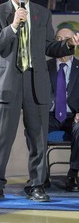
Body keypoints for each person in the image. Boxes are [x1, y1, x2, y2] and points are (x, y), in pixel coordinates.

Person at [0, 0, 79, 203]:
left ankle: (36, 185)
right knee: (1, 139)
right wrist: (14, 25)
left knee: (38, 139)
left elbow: (49, 47)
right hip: (8, 85)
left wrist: (68, 45)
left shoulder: (42, 13)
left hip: (37, 84)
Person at [47, 28, 79, 192]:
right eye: (58, 39)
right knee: (34, 127)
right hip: (49, 115)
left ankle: (73, 173)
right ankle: (40, 174)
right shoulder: (45, 67)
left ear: (74, 41)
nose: (61, 42)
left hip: (73, 115)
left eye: (65, 39)